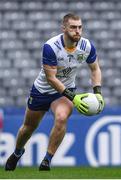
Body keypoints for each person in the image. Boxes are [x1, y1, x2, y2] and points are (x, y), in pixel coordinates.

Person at [5, 13, 104, 171]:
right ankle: (17, 153)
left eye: (80, 27)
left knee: (61, 116)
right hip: (42, 90)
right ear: (63, 28)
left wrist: (97, 91)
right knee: (28, 127)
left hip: (65, 91)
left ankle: (46, 161)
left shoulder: (87, 46)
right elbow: (51, 78)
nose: (77, 31)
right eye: (73, 27)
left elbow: (95, 69)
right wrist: (75, 98)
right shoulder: (51, 47)